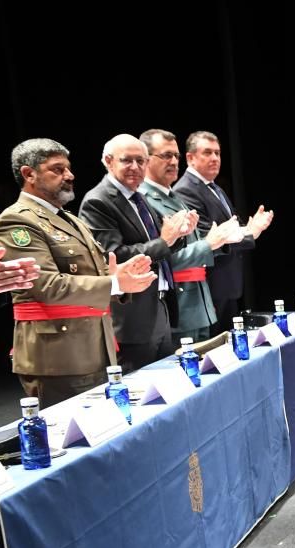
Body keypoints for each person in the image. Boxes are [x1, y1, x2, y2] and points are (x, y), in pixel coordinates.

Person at [0, 138, 155, 406]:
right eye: (57, 169)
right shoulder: (17, 220)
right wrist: (114, 284)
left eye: (68, 168)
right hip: (58, 356)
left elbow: (92, 271)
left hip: (95, 345)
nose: (69, 175)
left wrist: (119, 275)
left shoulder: (71, 219)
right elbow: (45, 285)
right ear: (28, 174)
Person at [79, 134, 196, 373]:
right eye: (127, 160)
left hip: (158, 307)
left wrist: (180, 234)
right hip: (131, 316)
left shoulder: (138, 197)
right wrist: (166, 240)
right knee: (140, 394)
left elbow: (162, 246)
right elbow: (115, 256)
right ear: (108, 161)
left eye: (141, 161)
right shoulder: (97, 201)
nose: (135, 167)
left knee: (167, 386)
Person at [139, 129, 238, 344]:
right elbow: (163, 259)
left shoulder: (173, 197)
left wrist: (216, 240)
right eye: (166, 155)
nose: (174, 161)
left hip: (197, 301)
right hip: (177, 305)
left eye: (176, 156)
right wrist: (209, 244)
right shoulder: (144, 199)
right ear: (145, 159)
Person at [173, 131, 273, 334]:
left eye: (217, 153)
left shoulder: (215, 188)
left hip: (226, 283)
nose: (214, 158)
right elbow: (206, 238)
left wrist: (253, 229)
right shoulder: (186, 190)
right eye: (207, 153)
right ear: (190, 158)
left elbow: (232, 226)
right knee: (215, 351)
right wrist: (250, 233)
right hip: (210, 284)